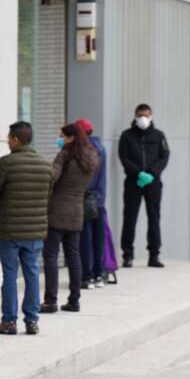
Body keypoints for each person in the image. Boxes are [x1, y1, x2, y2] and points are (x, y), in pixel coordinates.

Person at [0, 121, 54, 336]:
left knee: (10, 276)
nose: (7, 141)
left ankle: (9, 322)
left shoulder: (6, 163)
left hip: (9, 230)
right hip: (35, 231)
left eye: (9, 137)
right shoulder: (45, 164)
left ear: (16, 139)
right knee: (32, 274)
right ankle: (32, 321)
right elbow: (48, 195)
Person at [43, 123, 99, 313]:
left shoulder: (65, 154)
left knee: (50, 255)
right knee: (73, 255)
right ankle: (74, 300)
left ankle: (50, 300)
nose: (60, 139)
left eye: (62, 136)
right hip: (77, 210)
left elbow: (52, 176)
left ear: (71, 137)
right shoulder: (91, 156)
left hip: (57, 209)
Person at [118, 103, 170, 268]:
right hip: (133, 181)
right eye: (140, 115)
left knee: (154, 217)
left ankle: (154, 255)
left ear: (151, 116)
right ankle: (127, 255)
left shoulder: (159, 135)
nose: (143, 119)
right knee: (129, 218)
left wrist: (152, 173)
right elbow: (123, 158)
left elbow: (164, 156)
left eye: (146, 115)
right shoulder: (126, 136)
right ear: (135, 116)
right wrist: (138, 173)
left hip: (153, 183)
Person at [77, 118, 109, 288]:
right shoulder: (101, 147)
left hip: (87, 199)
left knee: (86, 240)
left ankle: (87, 275)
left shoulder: (86, 150)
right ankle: (98, 273)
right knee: (98, 240)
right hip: (100, 200)